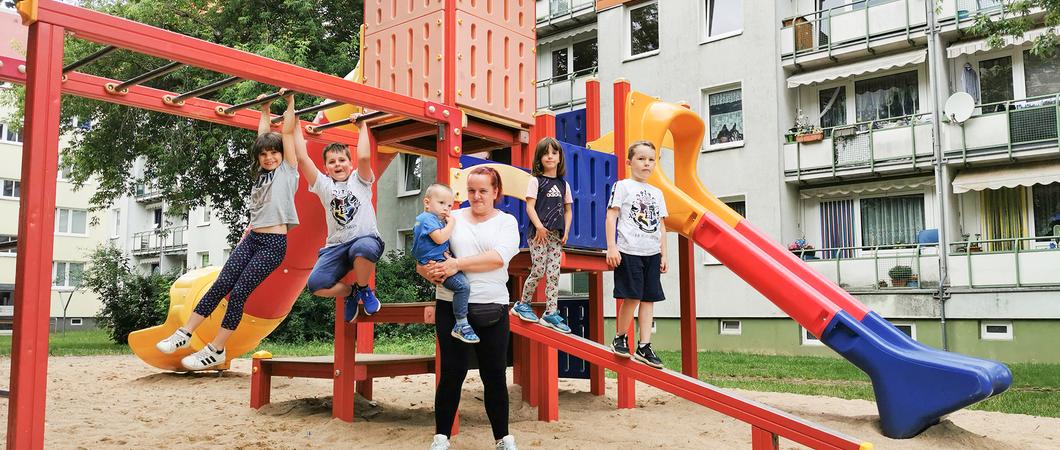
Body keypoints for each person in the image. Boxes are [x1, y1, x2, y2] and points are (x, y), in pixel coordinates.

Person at [155, 94, 299, 371]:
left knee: (239, 292)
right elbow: (263, 136)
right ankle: (183, 334)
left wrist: (290, 102)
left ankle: (217, 349)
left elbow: (288, 132)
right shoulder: (261, 174)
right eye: (264, 154)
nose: (269, 157)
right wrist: (265, 109)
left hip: (273, 245)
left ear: (282, 156)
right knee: (220, 285)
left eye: (274, 153)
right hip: (252, 238)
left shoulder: (287, 172)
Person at [419, 166, 520, 450]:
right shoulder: (450, 218)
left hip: (492, 308)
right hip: (450, 305)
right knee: (452, 372)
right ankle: (441, 438)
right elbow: (423, 254)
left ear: (495, 192)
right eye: (472, 190)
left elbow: (498, 258)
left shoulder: (507, 222)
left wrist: (457, 264)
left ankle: (503, 438)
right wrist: (429, 271)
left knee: (494, 374)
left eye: (483, 191)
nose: (477, 197)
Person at [298, 114, 384, 322]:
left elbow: (364, 157)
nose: (338, 165)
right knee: (316, 284)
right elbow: (302, 158)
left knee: (362, 249)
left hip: (365, 239)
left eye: (342, 160)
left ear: (350, 163)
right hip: (336, 246)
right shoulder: (324, 186)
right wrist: (294, 121)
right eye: (332, 162)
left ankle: (364, 290)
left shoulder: (360, 180)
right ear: (326, 168)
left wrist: (362, 126)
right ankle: (351, 293)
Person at [606, 140, 669, 369]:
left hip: (652, 252)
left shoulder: (657, 193)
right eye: (641, 159)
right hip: (629, 250)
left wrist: (664, 254)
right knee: (631, 297)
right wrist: (612, 247)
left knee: (649, 298)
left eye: (651, 160)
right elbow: (611, 216)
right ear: (629, 162)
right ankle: (620, 337)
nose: (647, 163)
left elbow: (661, 226)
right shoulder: (622, 186)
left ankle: (644, 345)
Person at [510, 137, 573, 333]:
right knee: (539, 269)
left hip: (555, 235)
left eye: (554, 153)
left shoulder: (564, 185)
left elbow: (568, 209)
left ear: (560, 157)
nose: (550, 156)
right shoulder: (536, 181)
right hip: (538, 234)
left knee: (554, 273)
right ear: (539, 158)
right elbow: (529, 206)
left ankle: (551, 312)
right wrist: (539, 226)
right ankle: (523, 304)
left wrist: (567, 230)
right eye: (546, 153)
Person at [411, 183, 478, 343]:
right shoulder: (428, 219)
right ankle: (461, 323)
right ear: (427, 203)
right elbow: (440, 238)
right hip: (438, 264)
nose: (446, 209)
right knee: (463, 287)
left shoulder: (431, 219)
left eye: (449, 205)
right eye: (441, 203)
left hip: (437, 261)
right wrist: (451, 224)